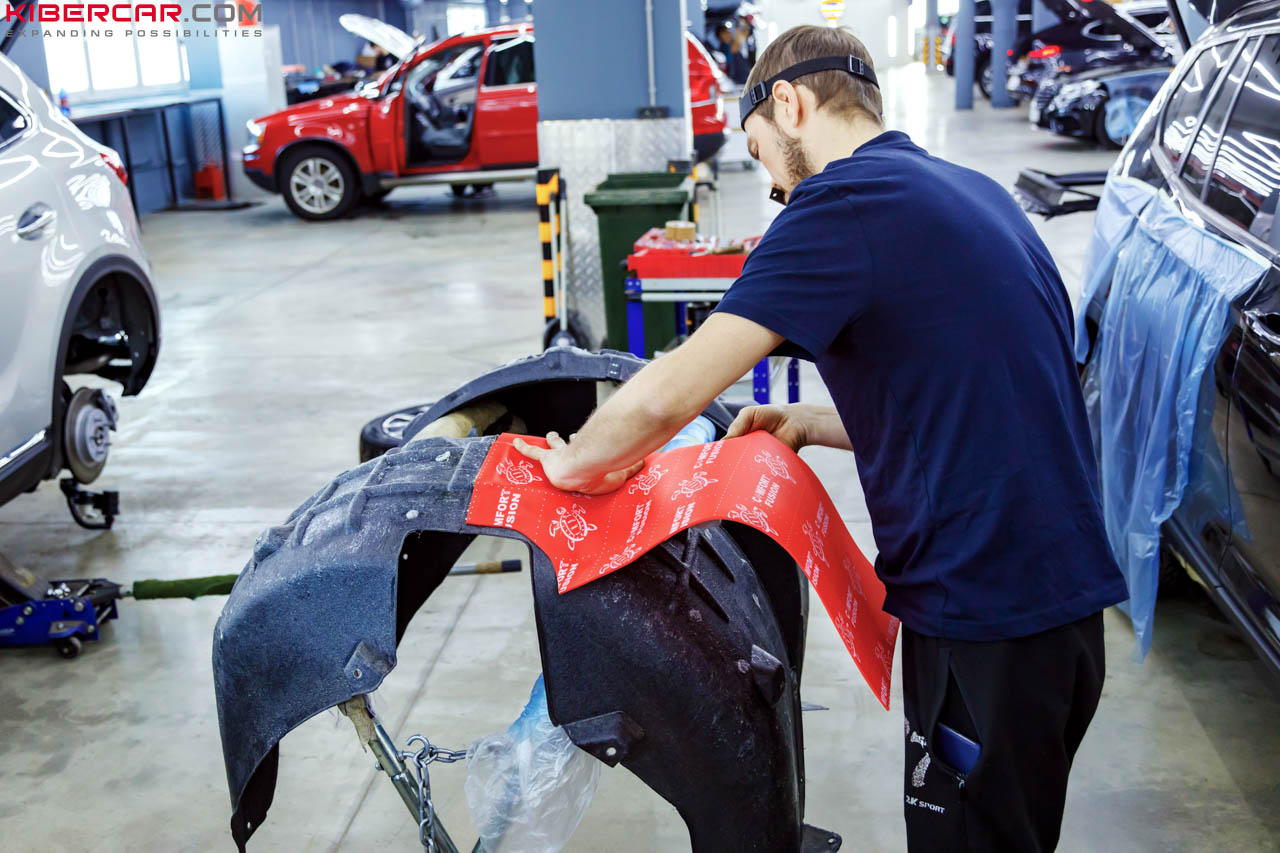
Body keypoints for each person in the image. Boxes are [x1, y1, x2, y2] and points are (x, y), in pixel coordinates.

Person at [514, 24, 1126, 853]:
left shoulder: (840, 204)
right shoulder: (970, 193)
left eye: (762, 155)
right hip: (1061, 623)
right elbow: (984, 398)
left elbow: (676, 384)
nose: (774, 185)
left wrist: (575, 461)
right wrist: (812, 422)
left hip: (985, 624)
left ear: (790, 104)